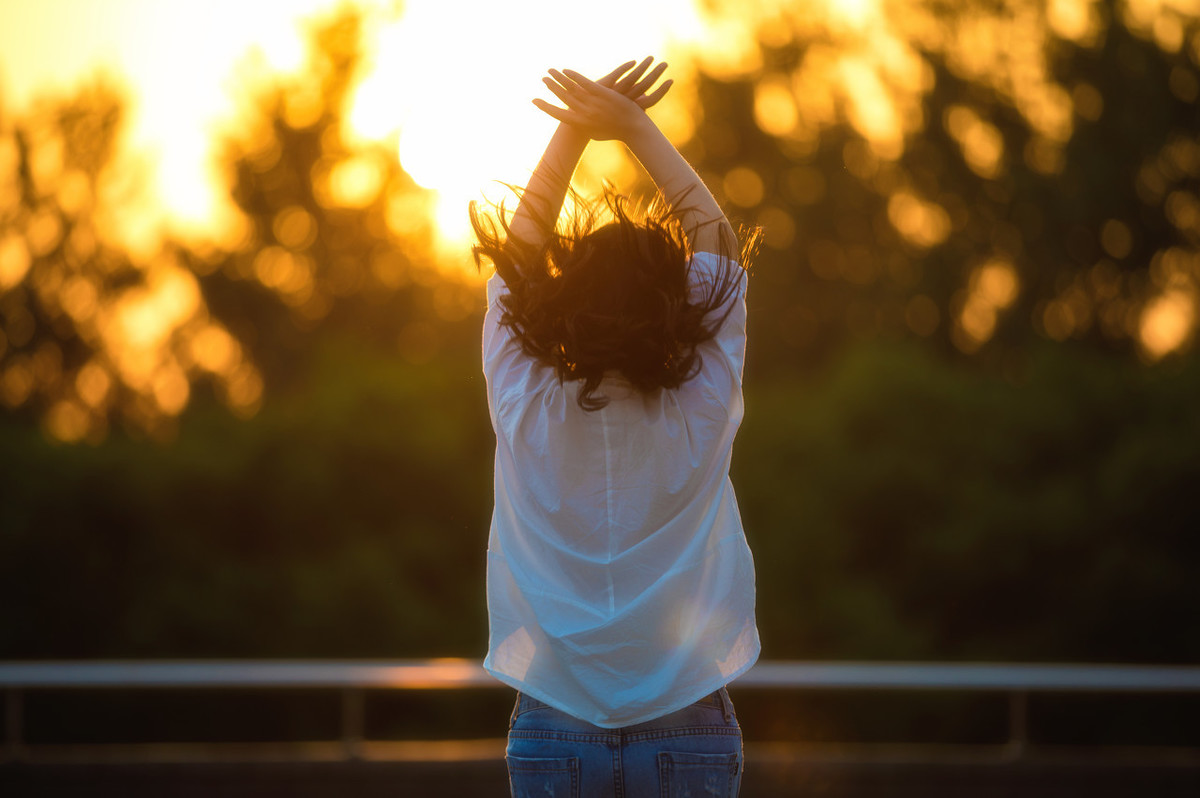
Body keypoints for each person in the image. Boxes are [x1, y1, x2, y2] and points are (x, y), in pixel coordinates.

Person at [471, 57, 761, 798]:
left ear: (562, 307)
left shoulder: (525, 403)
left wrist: (571, 135)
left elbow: (516, 263)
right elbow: (721, 256)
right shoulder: (700, 404)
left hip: (553, 722)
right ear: (676, 307)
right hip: (687, 719)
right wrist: (636, 130)